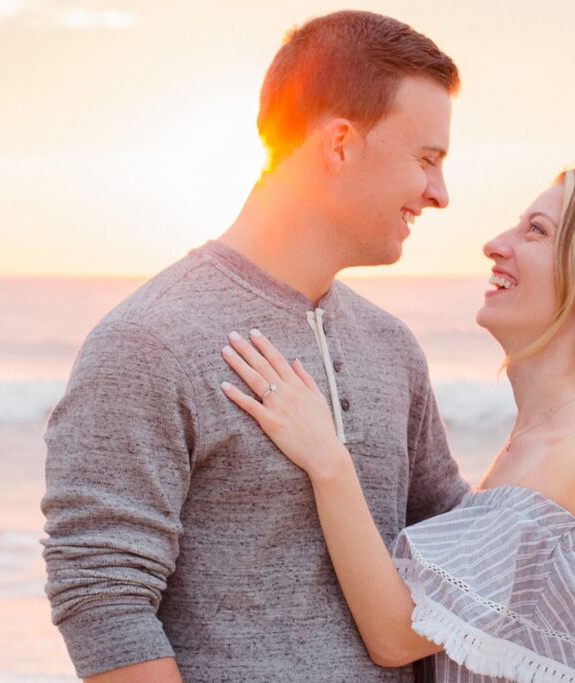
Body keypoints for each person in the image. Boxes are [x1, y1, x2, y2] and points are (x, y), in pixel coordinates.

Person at [41, 11, 469, 682]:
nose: (440, 193)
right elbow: (104, 595)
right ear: (339, 143)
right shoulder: (149, 341)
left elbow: (452, 549)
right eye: (427, 159)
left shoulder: (393, 347)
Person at [220, 161, 575, 682]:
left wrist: (327, 458)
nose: (496, 243)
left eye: (535, 231)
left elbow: (395, 632)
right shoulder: (542, 442)